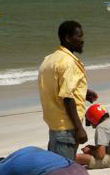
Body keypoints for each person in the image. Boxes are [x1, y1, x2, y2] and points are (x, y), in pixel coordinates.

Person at [38, 21, 98, 161]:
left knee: (55, 169)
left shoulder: (49, 60)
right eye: (79, 36)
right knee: (64, 171)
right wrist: (79, 128)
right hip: (67, 128)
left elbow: (55, 87)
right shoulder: (68, 62)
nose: (82, 40)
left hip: (54, 126)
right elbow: (66, 96)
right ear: (67, 38)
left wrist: (82, 92)